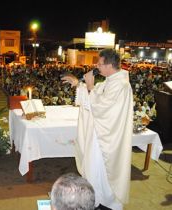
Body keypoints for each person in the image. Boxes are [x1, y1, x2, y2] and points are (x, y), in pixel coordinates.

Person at [61, 49, 133, 210]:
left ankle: (107, 202)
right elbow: (94, 98)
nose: (96, 67)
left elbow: (102, 108)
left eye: (99, 64)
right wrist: (78, 84)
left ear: (109, 65)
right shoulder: (109, 81)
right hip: (97, 136)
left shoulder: (121, 85)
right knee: (94, 170)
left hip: (107, 140)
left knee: (102, 171)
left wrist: (90, 85)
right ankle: (96, 198)